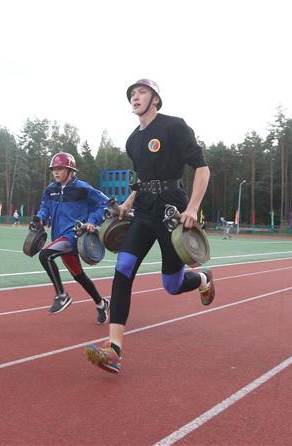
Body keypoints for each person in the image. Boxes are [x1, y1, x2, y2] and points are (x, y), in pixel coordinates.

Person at [84, 79, 214, 374]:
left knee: (171, 284)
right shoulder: (132, 141)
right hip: (143, 212)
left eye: (141, 92)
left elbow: (202, 169)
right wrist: (128, 203)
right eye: (132, 94)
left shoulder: (174, 126)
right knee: (123, 270)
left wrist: (192, 208)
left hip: (172, 209)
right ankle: (114, 350)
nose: (135, 97)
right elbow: (141, 180)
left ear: (155, 98)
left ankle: (203, 280)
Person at [34, 152, 111, 324]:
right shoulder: (50, 190)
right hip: (59, 237)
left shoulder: (82, 188)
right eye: (54, 169)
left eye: (60, 168)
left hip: (74, 235)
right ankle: (102, 304)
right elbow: (44, 207)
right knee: (79, 275)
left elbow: (103, 203)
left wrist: (92, 221)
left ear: (70, 170)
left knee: (45, 255)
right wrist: (40, 218)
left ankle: (61, 296)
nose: (56, 172)